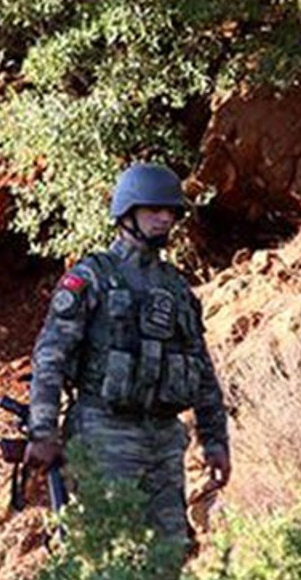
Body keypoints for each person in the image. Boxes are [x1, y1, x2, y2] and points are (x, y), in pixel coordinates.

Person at [22, 162, 231, 549]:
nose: (164, 218)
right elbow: (50, 355)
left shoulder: (176, 289)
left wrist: (215, 440)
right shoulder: (93, 277)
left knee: (169, 556)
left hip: (165, 440)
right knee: (108, 554)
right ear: (128, 213)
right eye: (154, 209)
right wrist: (43, 431)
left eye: (170, 212)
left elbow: (200, 369)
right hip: (103, 432)